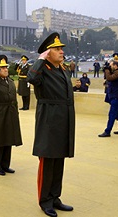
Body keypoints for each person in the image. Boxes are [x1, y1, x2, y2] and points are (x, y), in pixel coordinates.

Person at [27, 32, 75, 217]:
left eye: (61, 48)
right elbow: (31, 78)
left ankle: (55, 197)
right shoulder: (42, 69)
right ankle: (45, 200)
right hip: (49, 120)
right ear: (47, 53)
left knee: (59, 160)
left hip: (63, 120)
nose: (61, 51)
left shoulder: (62, 69)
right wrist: (40, 60)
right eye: (56, 49)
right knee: (48, 162)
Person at [98, 60, 118, 137]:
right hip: (116, 96)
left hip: (117, 96)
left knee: (112, 114)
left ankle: (107, 131)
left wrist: (106, 70)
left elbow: (109, 78)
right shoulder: (117, 72)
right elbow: (108, 78)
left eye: (111, 65)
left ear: (115, 66)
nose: (110, 67)